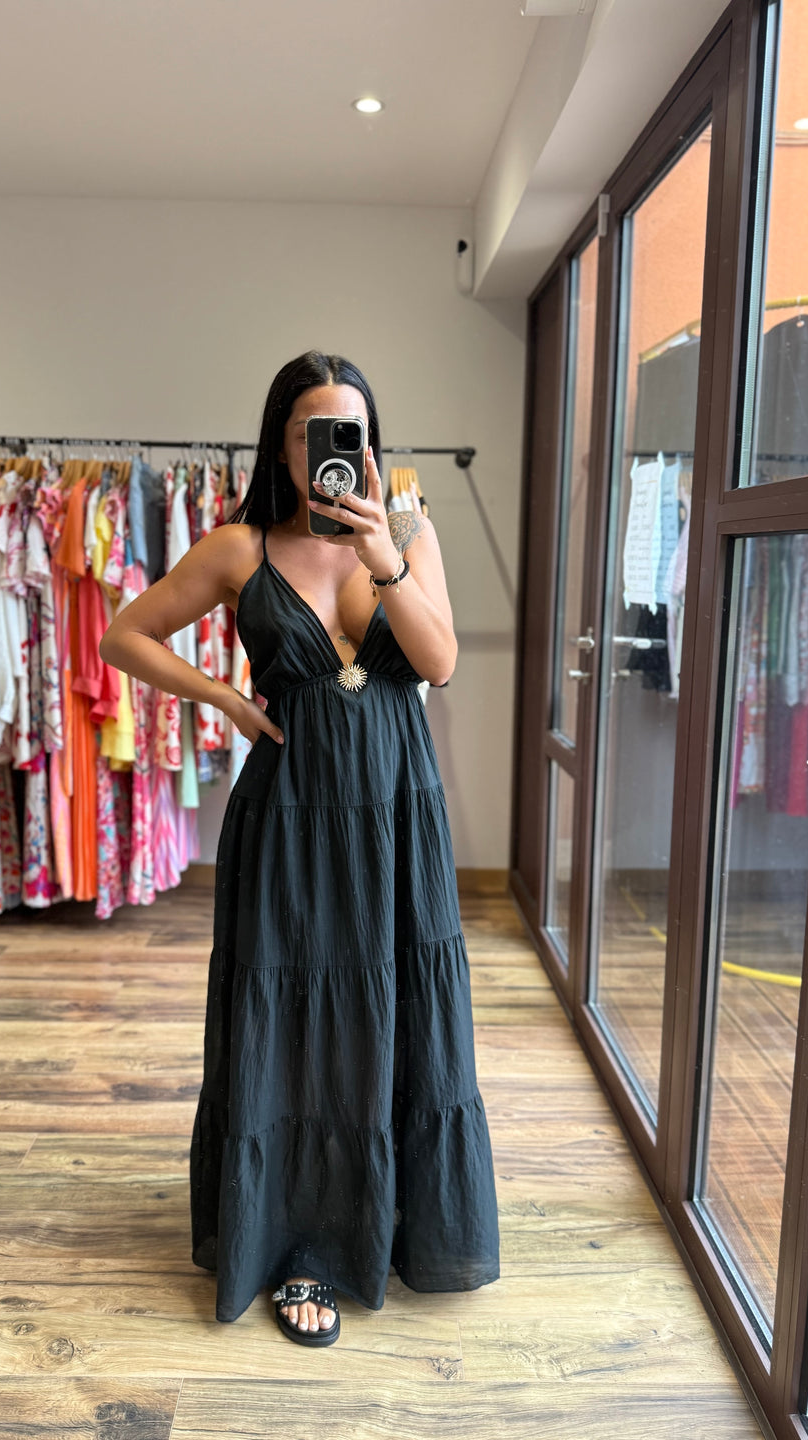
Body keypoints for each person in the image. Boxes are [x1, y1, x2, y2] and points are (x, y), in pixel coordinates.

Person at [100, 350, 500, 1347]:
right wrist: (224, 698)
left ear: (369, 443)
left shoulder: (408, 529)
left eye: (351, 433)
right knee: (299, 1025)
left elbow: (440, 661)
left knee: (400, 1010)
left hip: (397, 815)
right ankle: (302, 1245)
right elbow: (124, 635)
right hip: (290, 817)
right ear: (281, 445)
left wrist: (383, 554)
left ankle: (400, 1218)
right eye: (313, 432)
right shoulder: (239, 548)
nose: (334, 451)